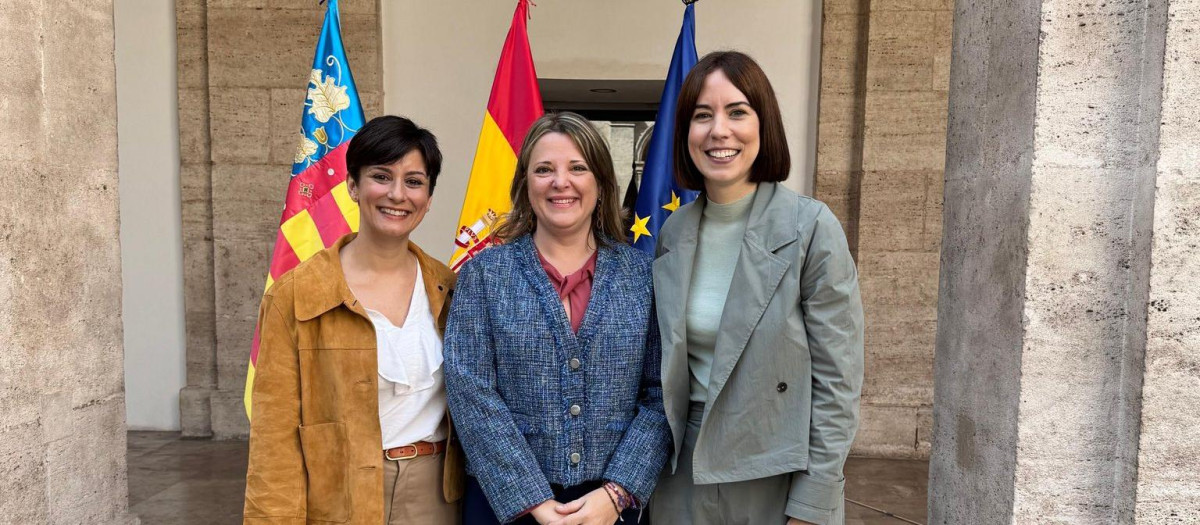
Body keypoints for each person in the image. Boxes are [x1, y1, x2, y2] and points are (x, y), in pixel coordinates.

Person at [648, 51, 865, 525]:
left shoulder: (810, 227)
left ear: (763, 125)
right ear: (685, 133)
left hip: (773, 469)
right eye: (702, 115)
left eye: (737, 111)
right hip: (680, 469)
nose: (718, 131)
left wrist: (814, 502)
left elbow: (838, 381)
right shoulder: (673, 234)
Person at [444, 111, 670, 525]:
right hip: (504, 504)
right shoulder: (484, 274)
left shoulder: (642, 278)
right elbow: (470, 390)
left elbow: (662, 395)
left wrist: (617, 493)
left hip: (611, 508)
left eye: (577, 168)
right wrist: (529, 498)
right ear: (525, 185)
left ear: (601, 184)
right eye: (544, 169)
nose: (560, 182)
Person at [243, 115, 463, 524]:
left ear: (429, 198)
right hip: (338, 498)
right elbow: (274, 439)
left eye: (414, 182)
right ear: (352, 185)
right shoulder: (297, 294)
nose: (397, 194)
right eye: (382, 176)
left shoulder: (450, 290)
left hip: (437, 498)